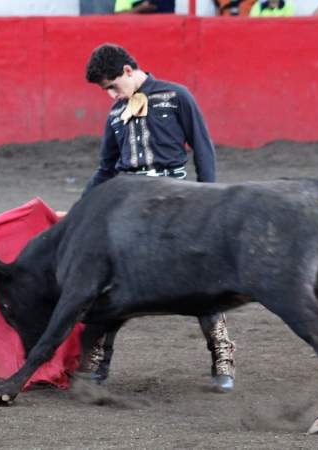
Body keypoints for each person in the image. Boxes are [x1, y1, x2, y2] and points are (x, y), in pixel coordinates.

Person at [80, 43, 236, 392]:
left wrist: (208, 199)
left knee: (199, 276)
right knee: (109, 275)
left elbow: (203, 149)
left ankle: (222, 355)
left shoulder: (176, 96)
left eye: (111, 86)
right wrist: (81, 210)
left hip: (174, 200)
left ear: (127, 71)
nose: (109, 95)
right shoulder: (115, 113)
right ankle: (98, 362)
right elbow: (106, 168)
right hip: (129, 205)